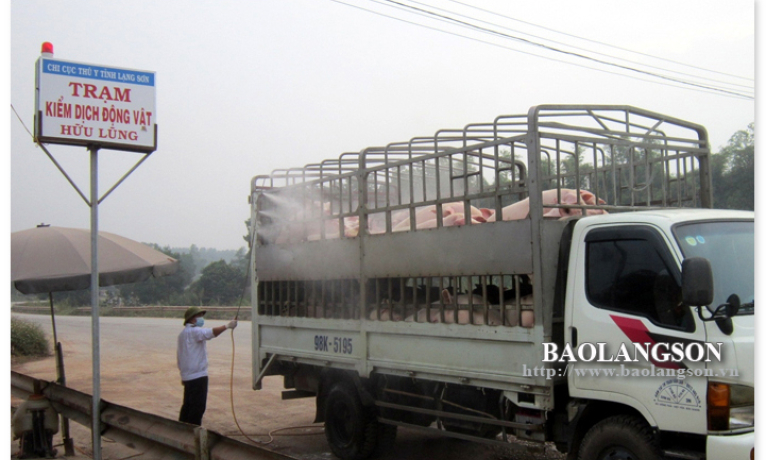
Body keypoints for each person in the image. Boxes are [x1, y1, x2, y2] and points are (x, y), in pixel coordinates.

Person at [177, 306, 237, 425]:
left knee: (187, 406)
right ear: (192, 319)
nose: (201, 319)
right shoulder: (195, 332)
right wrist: (227, 326)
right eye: (198, 316)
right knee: (197, 408)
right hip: (198, 376)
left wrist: (183, 376)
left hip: (188, 376)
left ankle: (181, 429)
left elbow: (180, 357)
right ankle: (193, 432)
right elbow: (210, 333)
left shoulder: (182, 334)